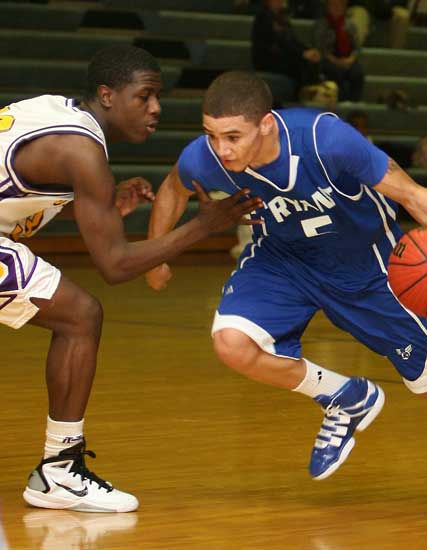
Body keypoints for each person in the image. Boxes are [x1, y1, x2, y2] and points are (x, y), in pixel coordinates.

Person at [146, 71, 427, 505]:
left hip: (367, 268)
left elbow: (412, 194)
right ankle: (344, 396)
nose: (221, 149)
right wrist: (156, 256)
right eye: (212, 135)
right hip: (285, 261)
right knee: (231, 342)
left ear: (266, 123)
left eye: (233, 136)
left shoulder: (326, 140)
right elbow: (173, 188)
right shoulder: (209, 157)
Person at [0, 46, 261, 513]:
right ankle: (59, 471)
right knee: (80, 316)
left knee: (74, 313)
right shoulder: (82, 151)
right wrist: (203, 226)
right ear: (107, 95)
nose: (156, 109)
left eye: (157, 97)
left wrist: (101, 198)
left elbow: (22, 183)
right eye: (145, 97)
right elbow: (116, 265)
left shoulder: (56, 113)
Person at [252, 0, 322, 97]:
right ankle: (300, 96)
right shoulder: (263, 17)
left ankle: (313, 92)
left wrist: (307, 50)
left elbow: (292, 40)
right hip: (267, 58)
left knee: (309, 60)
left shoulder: (282, 17)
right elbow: (280, 42)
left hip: (283, 54)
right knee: (298, 62)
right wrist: (302, 53)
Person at [313, 0, 365, 102]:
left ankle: (354, 102)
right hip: (329, 59)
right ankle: (339, 101)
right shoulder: (321, 24)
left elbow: (357, 46)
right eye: (334, 5)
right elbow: (319, 46)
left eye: (340, 5)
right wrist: (335, 61)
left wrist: (351, 59)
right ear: (328, 7)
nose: (337, 8)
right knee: (335, 72)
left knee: (358, 73)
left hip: (347, 59)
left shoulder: (350, 24)